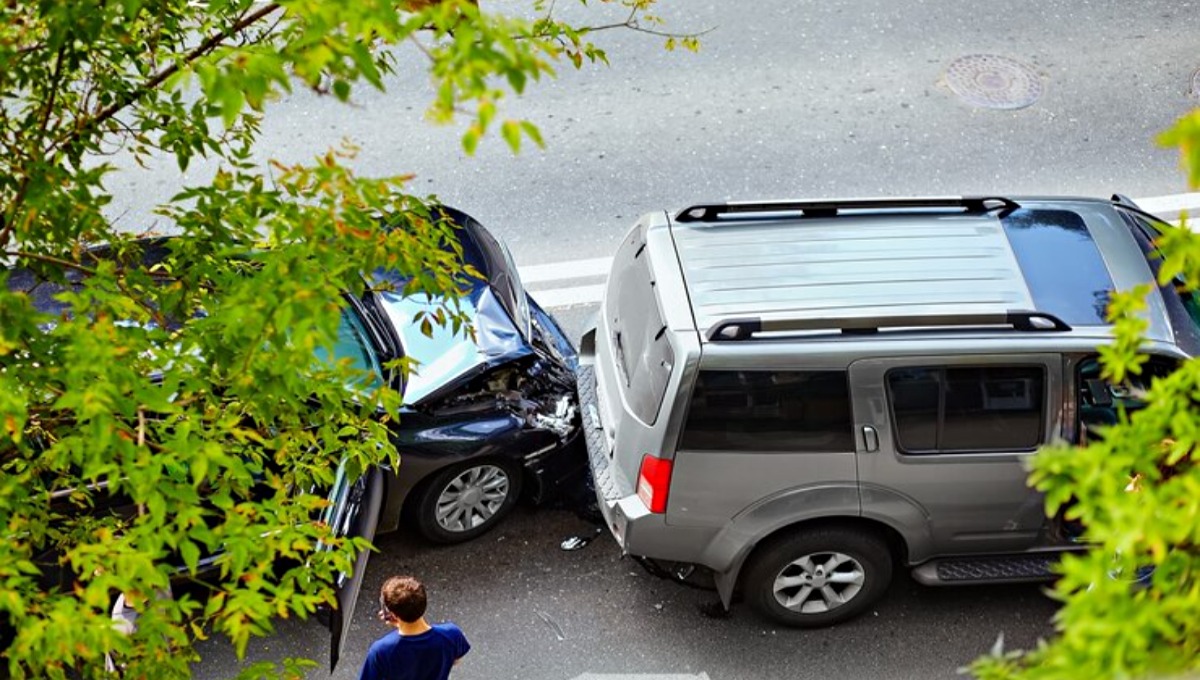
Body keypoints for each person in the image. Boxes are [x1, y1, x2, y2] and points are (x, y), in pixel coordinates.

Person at [358, 576, 470, 680]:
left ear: (393, 614)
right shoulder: (451, 634)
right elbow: (455, 660)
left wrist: (399, 624)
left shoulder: (381, 650)